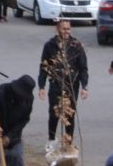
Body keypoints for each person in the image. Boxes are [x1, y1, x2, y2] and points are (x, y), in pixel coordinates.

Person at [37, 18, 89, 147]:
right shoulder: (49, 45)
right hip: (55, 84)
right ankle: (51, 139)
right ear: (57, 29)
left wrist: (84, 86)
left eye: (68, 29)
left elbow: (83, 68)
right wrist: (41, 86)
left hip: (72, 85)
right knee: (54, 113)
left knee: (70, 113)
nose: (67, 31)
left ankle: (68, 141)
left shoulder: (76, 45)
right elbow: (44, 67)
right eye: (64, 28)